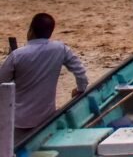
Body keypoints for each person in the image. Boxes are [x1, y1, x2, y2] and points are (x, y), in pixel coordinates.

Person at [0, 13, 88, 143]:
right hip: (46, 117)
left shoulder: (17, 55)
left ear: (31, 30)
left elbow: (2, 82)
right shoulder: (60, 49)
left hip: (19, 120)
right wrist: (80, 89)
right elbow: (80, 72)